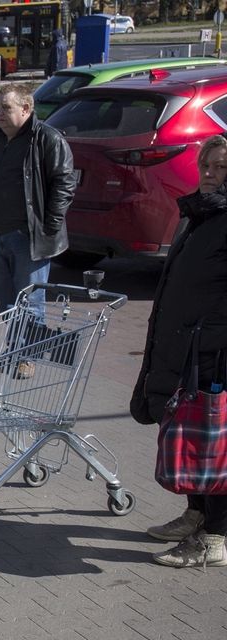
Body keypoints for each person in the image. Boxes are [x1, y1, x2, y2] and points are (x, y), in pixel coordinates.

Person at [130, 135, 227, 567]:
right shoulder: (200, 213)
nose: (210, 173)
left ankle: (217, 537)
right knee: (192, 436)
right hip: (183, 345)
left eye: (221, 167)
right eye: (206, 164)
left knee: (216, 445)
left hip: (214, 352)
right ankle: (197, 513)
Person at [0, 83, 75, 333]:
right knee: (5, 302)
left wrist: (49, 226)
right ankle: (17, 347)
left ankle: (27, 356)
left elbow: (65, 183)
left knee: (30, 301)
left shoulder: (47, 138)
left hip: (28, 237)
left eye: (6, 108)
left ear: (26, 108)